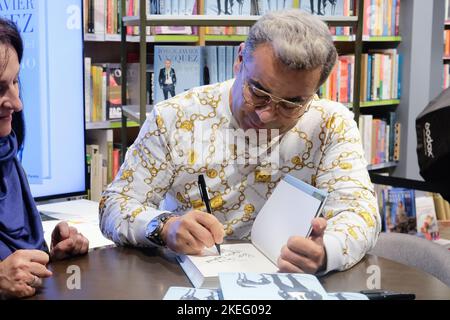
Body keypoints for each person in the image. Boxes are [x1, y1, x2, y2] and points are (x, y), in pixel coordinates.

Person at [100, 10, 381, 275]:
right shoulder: (176, 116)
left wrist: (326, 251)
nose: (266, 115)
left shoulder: (331, 124)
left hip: (290, 282)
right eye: (258, 91)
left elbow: (360, 213)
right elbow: (115, 205)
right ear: (239, 60)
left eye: (292, 104)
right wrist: (164, 227)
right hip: (189, 281)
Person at [0, 18, 89, 299]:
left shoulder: (7, 158)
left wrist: (48, 252)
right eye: (0, 88)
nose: (17, 103)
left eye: (15, 82)